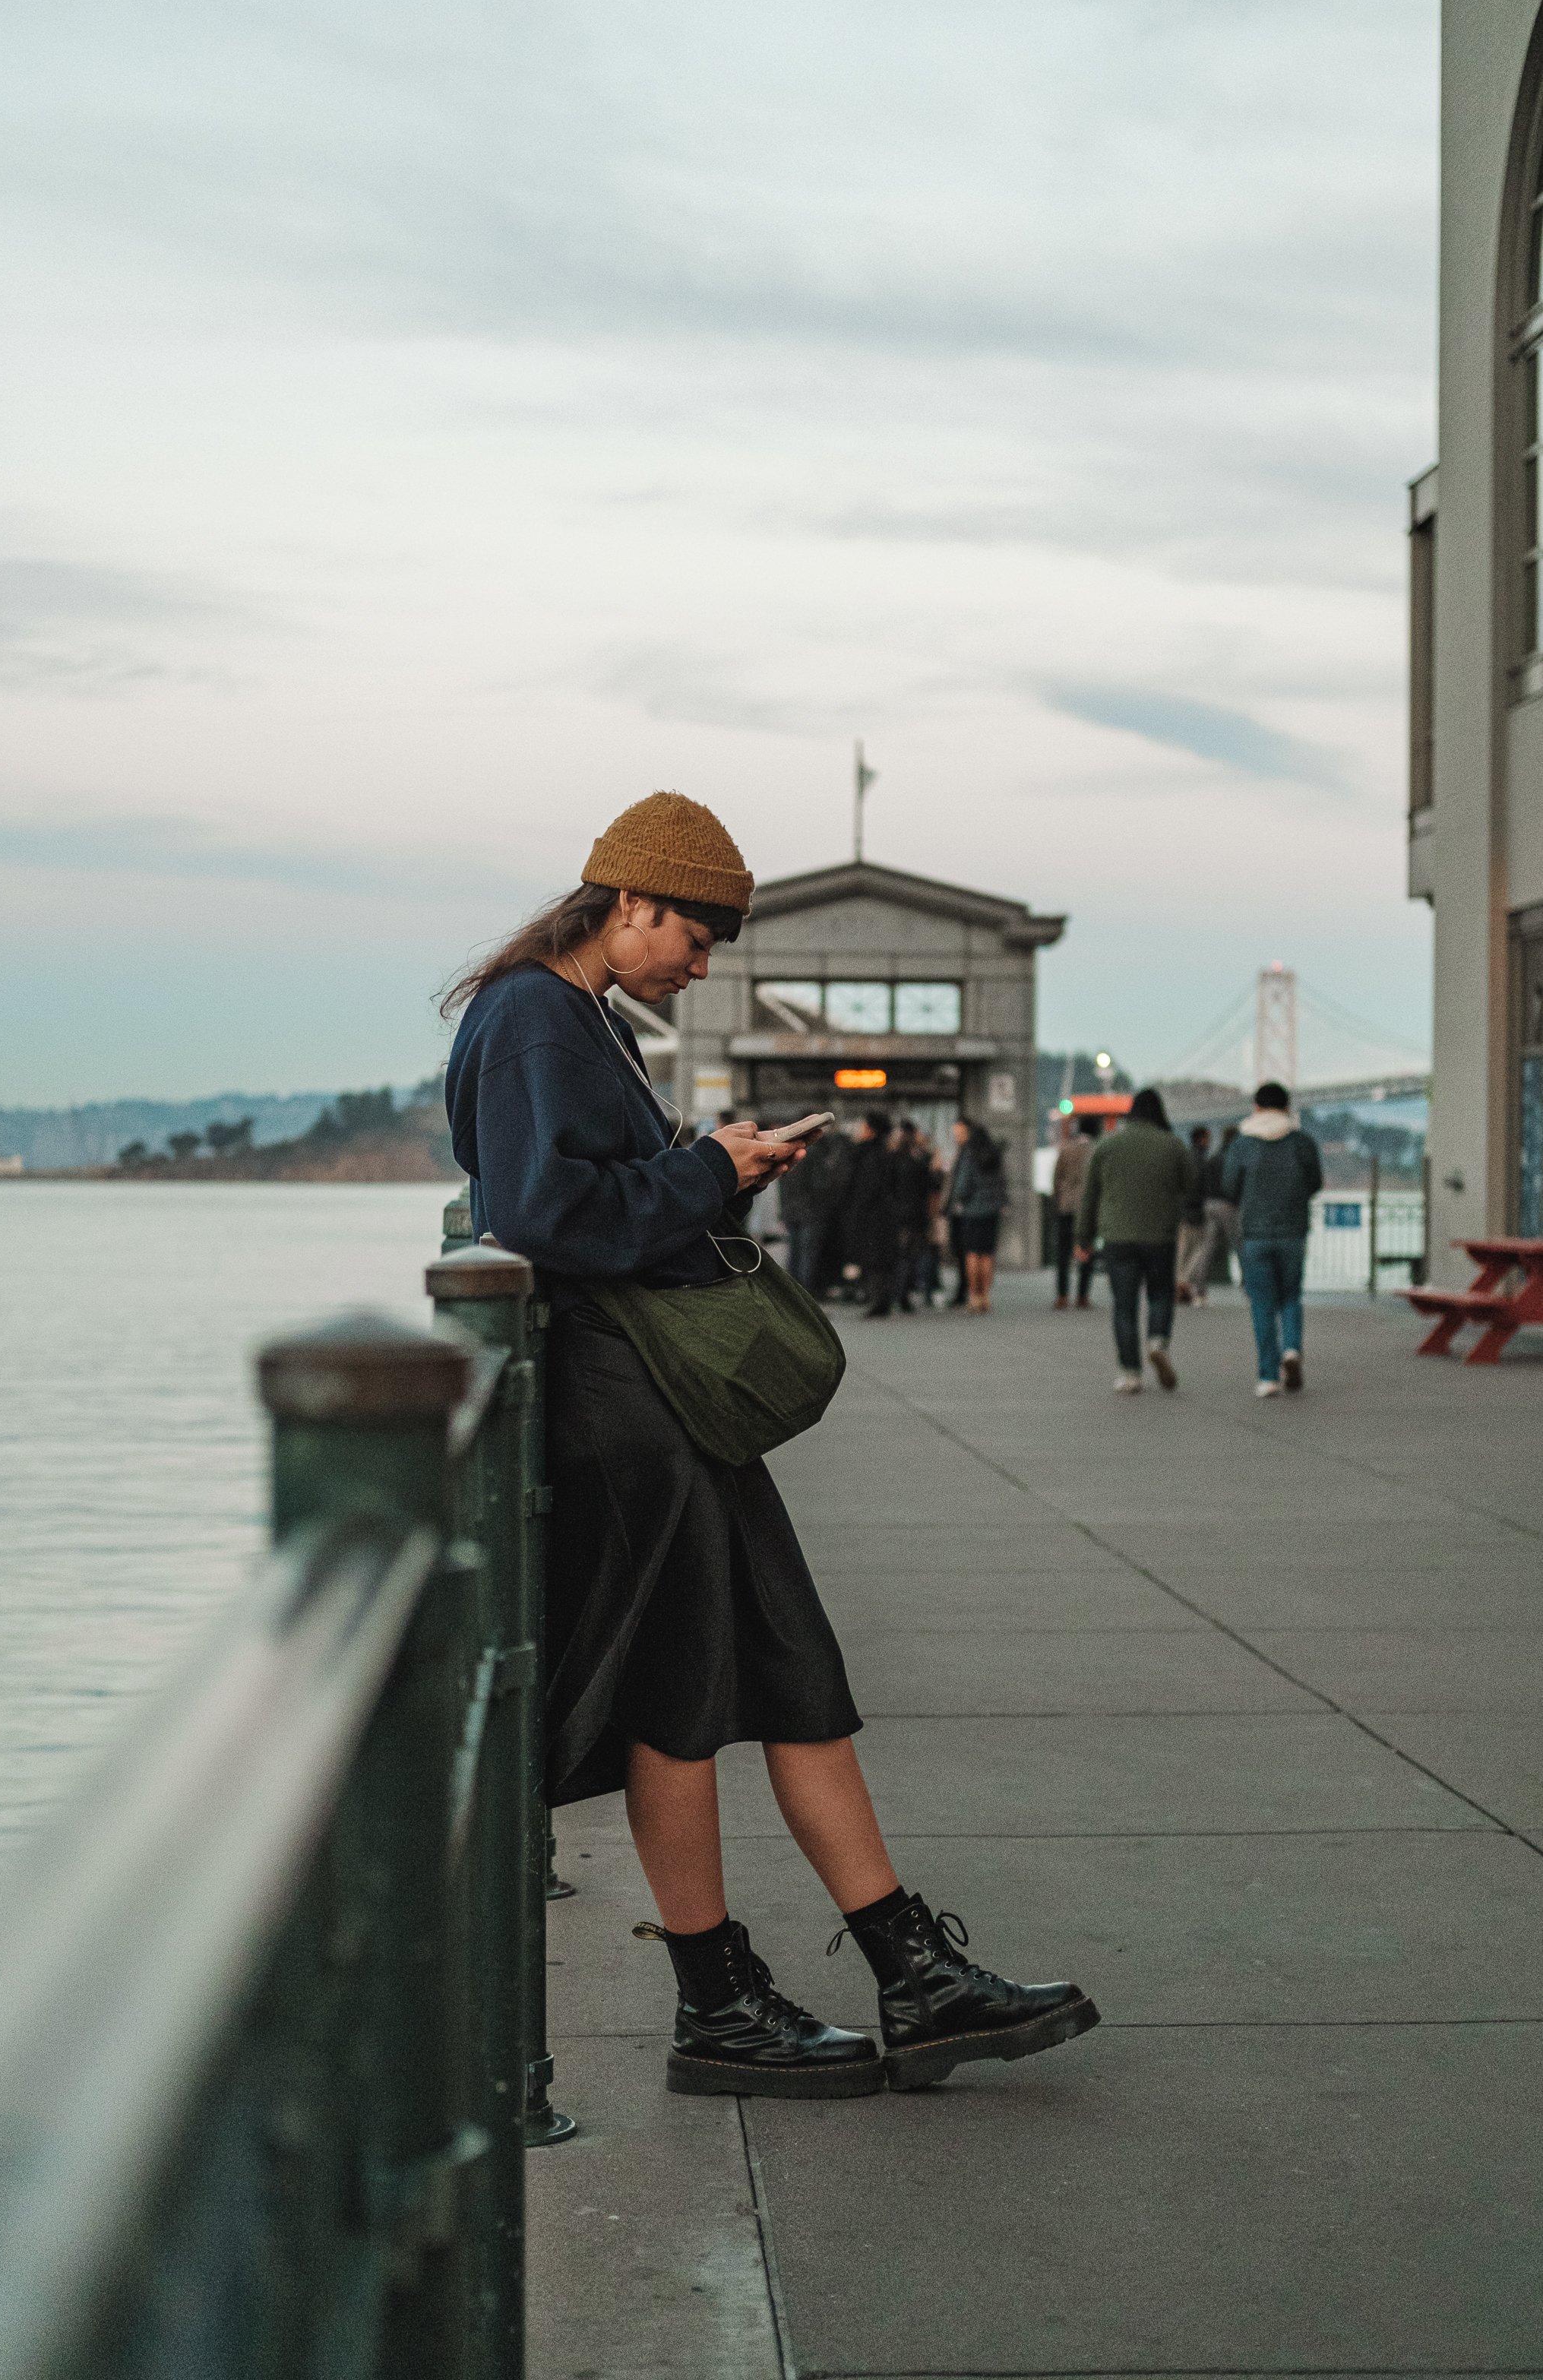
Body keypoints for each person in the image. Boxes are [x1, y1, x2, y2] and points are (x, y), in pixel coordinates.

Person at [442, 790, 1099, 2098]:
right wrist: (710, 1175)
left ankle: (910, 1972)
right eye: (695, 934)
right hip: (624, 1410)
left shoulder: (573, 1018)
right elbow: (537, 1211)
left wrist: (710, 1167)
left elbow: (571, 1199)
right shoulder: (531, 1017)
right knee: (681, 1701)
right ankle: (722, 2000)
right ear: (627, 902)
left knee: (791, 1666)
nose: (704, 963)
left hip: (656, 1404)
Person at [1074, 1088, 1197, 1393]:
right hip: (1160, 1236)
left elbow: (1090, 1196)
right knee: (1160, 1295)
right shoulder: (1172, 1145)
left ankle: (1130, 1374)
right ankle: (1157, 1341)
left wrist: (1083, 1237)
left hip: (1117, 1238)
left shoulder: (1107, 1145)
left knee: (1124, 1306)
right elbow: (1191, 1188)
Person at [1222, 1081, 1323, 1395]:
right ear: (1287, 1107)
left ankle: (1268, 1377)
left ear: (1255, 1107)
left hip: (1254, 1234)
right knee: (1291, 1296)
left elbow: (1228, 1186)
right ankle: (1291, 1348)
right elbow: (1315, 1183)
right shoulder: (1302, 1141)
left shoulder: (1242, 1143)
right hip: (1293, 1232)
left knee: (1262, 1304)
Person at [778, 1122, 852, 1296]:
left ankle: (793, 1292)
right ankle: (806, 1292)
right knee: (808, 1253)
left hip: (791, 1210)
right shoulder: (815, 1154)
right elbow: (820, 1185)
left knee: (795, 1252)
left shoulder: (789, 1152)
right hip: (810, 1211)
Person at [840, 1110, 900, 1317]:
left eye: (863, 1127)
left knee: (874, 1258)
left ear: (872, 1131)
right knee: (879, 1259)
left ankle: (878, 1300)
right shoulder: (886, 1153)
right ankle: (881, 1299)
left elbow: (866, 1188)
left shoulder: (868, 1155)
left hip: (871, 1216)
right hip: (883, 1215)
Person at [947, 1118, 1007, 1312]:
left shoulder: (969, 1154)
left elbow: (962, 1186)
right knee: (987, 1253)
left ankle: (974, 1296)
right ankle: (986, 1296)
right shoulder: (994, 1154)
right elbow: (1002, 1182)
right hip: (992, 1210)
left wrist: (960, 1199)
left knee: (972, 1253)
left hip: (972, 1211)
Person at [1184, 1124, 1242, 1305]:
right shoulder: (1233, 1158)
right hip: (1227, 1205)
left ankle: (1199, 1291)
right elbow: (1235, 1183)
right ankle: (1250, 1286)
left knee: (1207, 1249)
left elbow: (1201, 1183)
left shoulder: (1213, 1158)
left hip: (1209, 1205)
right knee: (1240, 1246)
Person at [1051, 1114, 1099, 1309]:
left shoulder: (1067, 1149)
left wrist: (1059, 1199)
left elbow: (1056, 1178)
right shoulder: (1097, 1150)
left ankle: (1062, 1296)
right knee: (1087, 1250)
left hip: (1066, 1207)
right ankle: (1083, 1296)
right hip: (1088, 1209)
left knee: (1063, 1252)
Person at [890, 1120, 938, 1310]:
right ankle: (905, 1293)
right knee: (912, 1255)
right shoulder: (919, 1161)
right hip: (916, 1215)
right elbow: (931, 1186)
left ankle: (898, 1291)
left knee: (900, 1255)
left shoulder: (892, 1160)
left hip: (898, 1214)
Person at [1174, 1126, 1213, 1302]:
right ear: (1202, 1139)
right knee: (1199, 1249)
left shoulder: (1185, 1157)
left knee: (1182, 1252)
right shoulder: (1202, 1160)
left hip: (1181, 1211)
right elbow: (1200, 1188)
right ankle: (1184, 1283)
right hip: (1195, 1211)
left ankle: (1180, 1283)